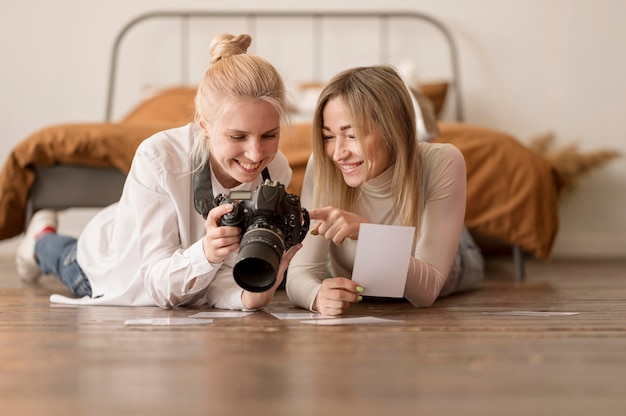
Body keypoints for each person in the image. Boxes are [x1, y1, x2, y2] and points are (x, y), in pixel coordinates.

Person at [15, 33, 300, 310]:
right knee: (65, 256)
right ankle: (40, 238)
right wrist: (206, 253)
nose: (255, 155)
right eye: (237, 137)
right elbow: (155, 285)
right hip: (118, 266)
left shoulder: (275, 169)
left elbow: (223, 276)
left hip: (182, 267)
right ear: (203, 124)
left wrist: (247, 298)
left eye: (269, 135)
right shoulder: (159, 158)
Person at [285, 65, 484, 316]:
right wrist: (316, 296)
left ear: (392, 128)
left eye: (352, 135)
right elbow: (300, 275)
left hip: (448, 260)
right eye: (328, 137)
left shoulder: (444, 160)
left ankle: (422, 135)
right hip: (356, 267)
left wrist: (368, 234)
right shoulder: (322, 164)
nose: (337, 153)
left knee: (459, 242)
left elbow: (427, 291)